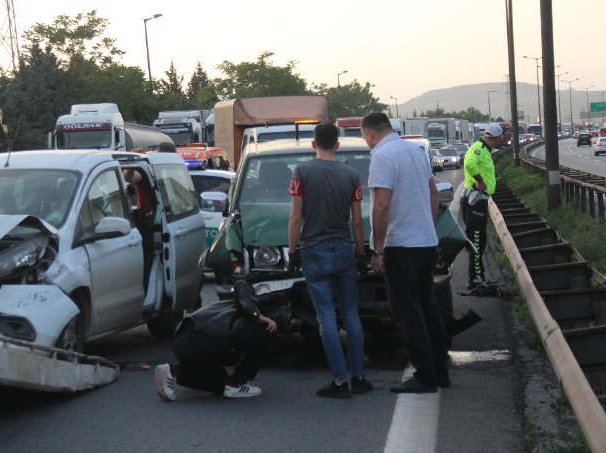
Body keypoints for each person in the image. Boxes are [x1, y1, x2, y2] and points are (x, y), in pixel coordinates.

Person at [362, 112, 449, 394]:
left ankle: (424, 375)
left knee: (408, 313)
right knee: (429, 308)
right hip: (426, 242)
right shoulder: (415, 151)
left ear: (371, 134)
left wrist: (377, 249)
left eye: (365, 139)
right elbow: (433, 193)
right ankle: (440, 372)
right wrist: (427, 226)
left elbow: (381, 206)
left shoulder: (382, 156)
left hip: (401, 246)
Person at [287, 122, 372, 399]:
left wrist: (292, 250)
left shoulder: (302, 172)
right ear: (337, 144)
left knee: (326, 317)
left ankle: (339, 380)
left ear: (314, 144)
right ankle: (359, 375)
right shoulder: (351, 174)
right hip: (344, 249)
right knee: (350, 314)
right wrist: (360, 253)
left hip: (314, 249)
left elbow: (296, 217)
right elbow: (357, 221)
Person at [154, 281, 277, 401]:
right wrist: (257, 316)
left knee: (222, 386)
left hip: (185, 340)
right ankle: (237, 384)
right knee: (266, 331)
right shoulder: (248, 309)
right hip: (201, 335)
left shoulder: (236, 314)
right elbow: (242, 286)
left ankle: (172, 372)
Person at [462, 124, 500, 289]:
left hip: (479, 200)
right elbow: (469, 164)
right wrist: (481, 182)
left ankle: (478, 276)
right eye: (501, 137)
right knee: (477, 240)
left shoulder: (484, 150)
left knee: (479, 240)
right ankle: (475, 279)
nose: (502, 140)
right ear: (494, 138)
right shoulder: (478, 149)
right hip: (475, 200)